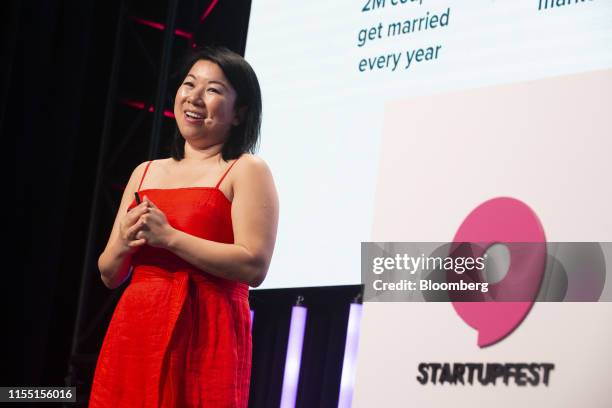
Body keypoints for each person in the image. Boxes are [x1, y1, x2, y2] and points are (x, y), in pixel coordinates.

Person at [89, 45, 278, 408]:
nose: (194, 97)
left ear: (239, 113)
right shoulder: (145, 172)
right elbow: (110, 273)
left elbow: (254, 264)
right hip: (137, 326)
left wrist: (170, 238)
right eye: (190, 84)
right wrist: (125, 243)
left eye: (213, 90)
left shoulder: (246, 169)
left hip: (207, 328)